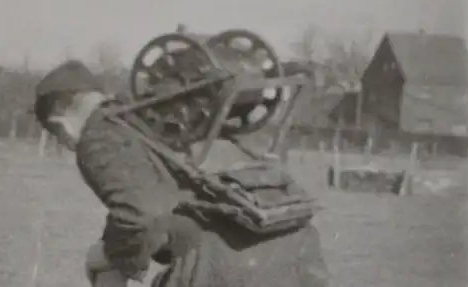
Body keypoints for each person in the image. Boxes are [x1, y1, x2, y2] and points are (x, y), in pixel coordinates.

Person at [33, 59, 330, 287]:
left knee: (101, 260)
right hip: (293, 252)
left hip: (222, 267)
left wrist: (110, 255)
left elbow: (143, 214)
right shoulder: (146, 115)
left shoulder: (97, 136)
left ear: (60, 124)